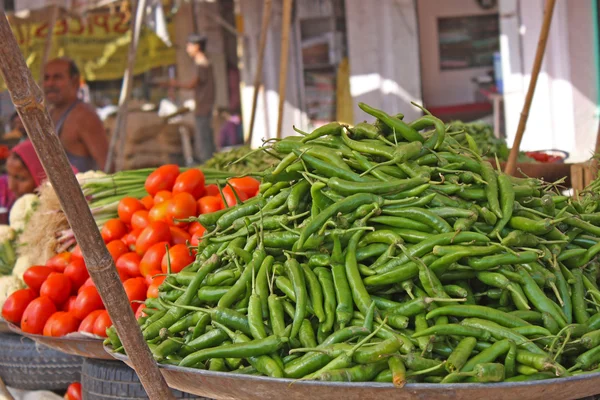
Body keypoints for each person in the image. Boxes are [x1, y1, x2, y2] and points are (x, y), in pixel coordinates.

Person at [44, 58, 108, 171]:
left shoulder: (84, 116)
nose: (50, 83)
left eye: (57, 77)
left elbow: (107, 165)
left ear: (74, 81)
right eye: (46, 78)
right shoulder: (50, 113)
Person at [0, 140, 77, 224]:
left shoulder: (67, 208)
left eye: (20, 178)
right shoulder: (11, 200)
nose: (11, 186)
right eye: (9, 175)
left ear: (42, 174)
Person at [167, 34, 216, 163]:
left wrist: (175, 84)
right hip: (203, 105)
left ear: (197, 46)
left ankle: (209, 164)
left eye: (189, 45)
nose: (187, 49)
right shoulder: (202, 62)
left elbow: (192, 85)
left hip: (203, 106)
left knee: (204, 138)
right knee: (206, 137)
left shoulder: (202, 63)